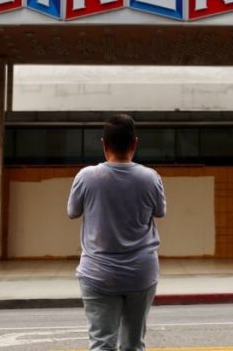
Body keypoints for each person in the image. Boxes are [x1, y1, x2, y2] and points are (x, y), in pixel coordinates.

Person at [67, 114, 167, 351]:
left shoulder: (87, 177)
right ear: (134, 143)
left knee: (102, 344)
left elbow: (72, 211)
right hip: (141, 273)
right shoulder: (150, 178)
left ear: (103, 144)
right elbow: (160, 212)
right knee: (134, 344)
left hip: (97, 273)